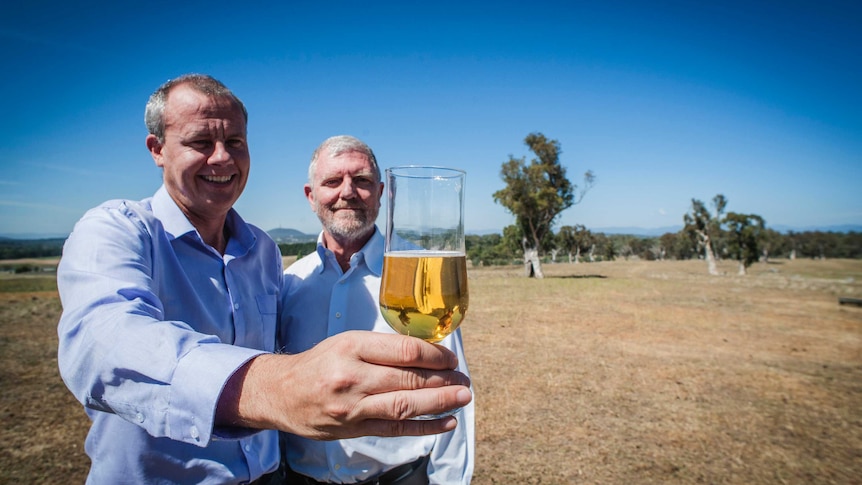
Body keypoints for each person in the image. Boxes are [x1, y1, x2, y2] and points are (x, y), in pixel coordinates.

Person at [56, 75, 472, 484]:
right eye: (201, 142)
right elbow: (102, 341)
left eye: (235, 142)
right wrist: (273, 389)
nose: (221, 158)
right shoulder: (117, 231)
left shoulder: (263, 253)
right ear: (157, 149)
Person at [279, 135, 475, 484]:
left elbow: (452, 390)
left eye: (362, 181)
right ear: (311, 197)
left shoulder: (416, 278)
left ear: (382, 194)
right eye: (332, 181)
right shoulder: (288, 284)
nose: (348, 192)